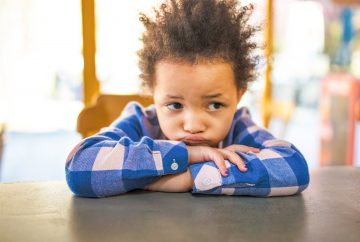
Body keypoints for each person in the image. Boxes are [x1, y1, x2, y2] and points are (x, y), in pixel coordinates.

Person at [65, 0, 309, 197]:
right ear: (152, 92)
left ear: (239, 95)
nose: (192, 125)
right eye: (174, 105)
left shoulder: (238, 126)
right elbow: (80, 165)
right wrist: (187, 155)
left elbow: (293, 167)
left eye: (215, 104)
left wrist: (192, 177)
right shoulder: (141, 121)